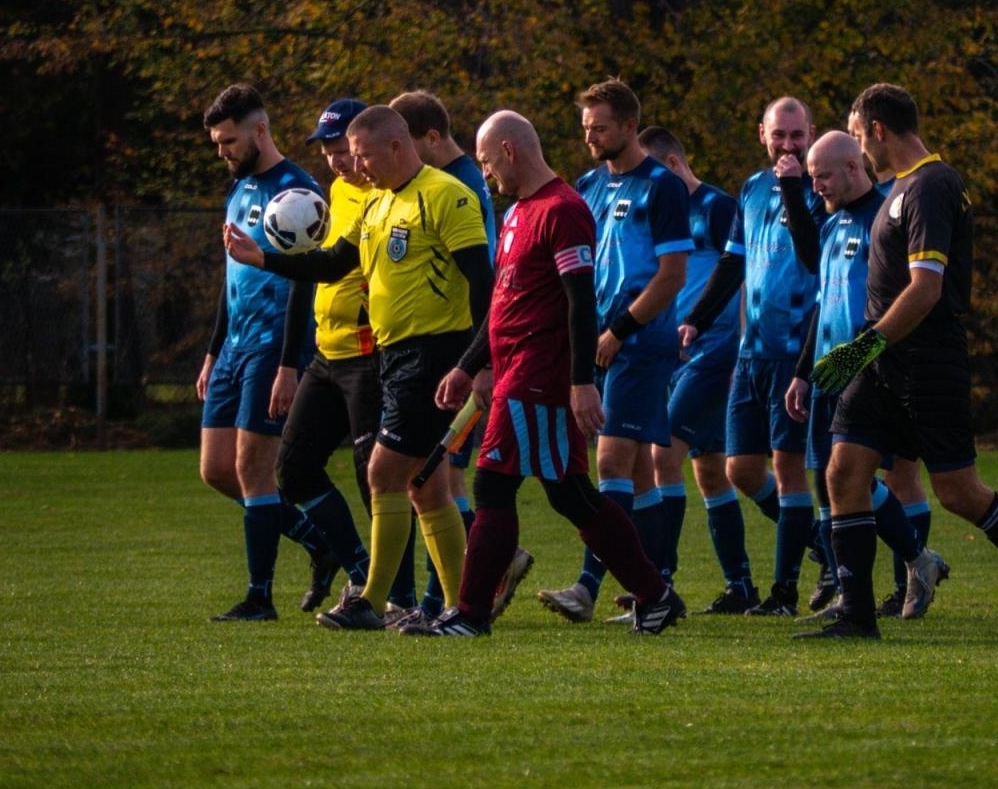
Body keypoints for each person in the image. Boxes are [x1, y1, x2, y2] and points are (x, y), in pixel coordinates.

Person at [800, 83, 998, 640]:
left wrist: (861, 346)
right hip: (885, 364)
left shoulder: (933, 184)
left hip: (927, 363)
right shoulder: (900, 188)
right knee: (844, 471)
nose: (861, 149)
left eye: (860, 136)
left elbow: (925, 289)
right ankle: (857, 615)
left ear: (879, 130)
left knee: (959, 492)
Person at [404, 111, 685, 635]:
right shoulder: (516, 214)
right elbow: (503, 304)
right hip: (512, 371)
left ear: (510, 150)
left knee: (492, 487)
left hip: (538, 375)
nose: (486, 174)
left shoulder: (563, 209)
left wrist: (580, 383)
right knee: (570, 494)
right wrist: (470, 366)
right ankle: (656, 595)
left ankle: (469, 614)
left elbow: (581, 303)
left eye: (487, 162)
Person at [226, 105, 492, 632]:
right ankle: (464, 610)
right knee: (425, 487)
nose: (358, 166)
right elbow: (330, 264)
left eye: (365, 155)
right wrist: (263, 258)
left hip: (435, 354)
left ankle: (372, 598)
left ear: (396, 146)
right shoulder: (376, 206)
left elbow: (485, 288)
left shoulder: (445, 195)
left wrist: (476, 364)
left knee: (384, 473)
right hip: (395, 358)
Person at [535, 79, 693, 623]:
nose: (591, 137)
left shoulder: (662, 187)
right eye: (586, 128)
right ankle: (657, 585)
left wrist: (620, 328)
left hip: (641, 344)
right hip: (599, 343)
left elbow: (672, 275)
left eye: (599, 127)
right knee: (641, 476)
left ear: (629, 126)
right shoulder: (588, 186)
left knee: (610, 460)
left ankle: (587, 586)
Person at [782, 131, 944, 625]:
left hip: (872, 368)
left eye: (823, 176)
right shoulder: (831, 222)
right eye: (811, 178)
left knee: (869, 477)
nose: (818, 186)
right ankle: (876, 583)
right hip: (831, 370)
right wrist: (802, 373)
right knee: (831, 481)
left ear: (855, 167)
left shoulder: (885, 216)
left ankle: (908, 573)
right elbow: (822, 302)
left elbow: (912, 295)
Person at [390, 90, 531, 625]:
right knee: (436, 480)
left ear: (429, 138)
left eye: (403, 143)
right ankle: (476, 576)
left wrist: (479, 360)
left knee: (437, 480)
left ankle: (454, 593)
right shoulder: (450, 182)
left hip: (463, 351)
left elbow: (483, 280)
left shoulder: (463, 185)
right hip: (458, 353)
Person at [679, 97, 823, 617]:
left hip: (795, 352)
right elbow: (732, 263)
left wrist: (793, 184)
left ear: (810, 135)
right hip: (751, 352)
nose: (788, 145)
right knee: (741, 469)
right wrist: (696, 316)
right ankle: (826, 550)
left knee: (790, 471)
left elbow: (811, 254)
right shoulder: (752, 188)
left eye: (797, 136)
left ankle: (783, 592)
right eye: (779, 135)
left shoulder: (818, 189)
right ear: (761, 133)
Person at [197, 83, 324, 621]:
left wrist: (290, 363)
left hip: (272, 345)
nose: (222, 152)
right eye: (218, 143)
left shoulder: (297, 192)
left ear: (260, 131)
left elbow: (304, 280)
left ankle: (259, 596)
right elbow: (234, 275)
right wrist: (210, 351)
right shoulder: (238, 189)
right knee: (216, 471)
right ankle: (323, 542)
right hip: (234, 346)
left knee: (253, 470)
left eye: (229, 141)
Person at [274, 99, 383, 615]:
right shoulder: (335, 192)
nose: (336, 161)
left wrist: (270, 258)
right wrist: (291, 361)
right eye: (328, 150)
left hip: (369, 353)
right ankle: (361, 571)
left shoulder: (384, 194)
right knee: (293, 470)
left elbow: (335, 262)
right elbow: (317, 267)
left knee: (377, 482)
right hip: (327, 352)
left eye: (342, 149)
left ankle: (394, 594)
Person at [639, 127, 747, 609]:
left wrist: (736, 345)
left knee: (664, 456)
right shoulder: (667, 215)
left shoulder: (718, 207)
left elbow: (742, 271)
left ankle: (659, 578)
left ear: (675, 164)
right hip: (678, 353)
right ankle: (741, 584)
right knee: (712, 472)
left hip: (715, 350)